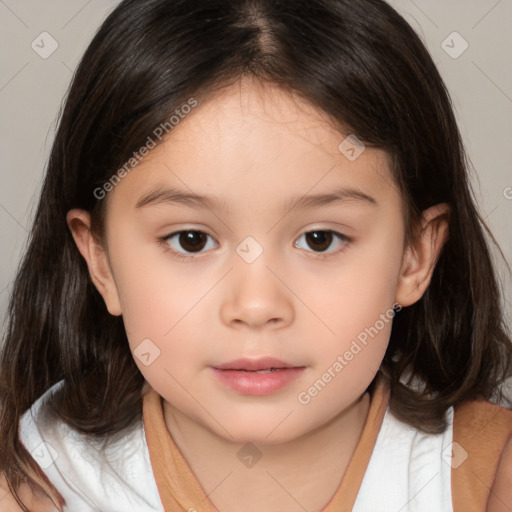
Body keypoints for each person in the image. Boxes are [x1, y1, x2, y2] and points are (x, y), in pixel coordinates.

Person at [1, 0, 511, 510]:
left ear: (414, 256)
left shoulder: (485, 475)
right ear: (102, 263)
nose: (256, 305)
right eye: (191, 240)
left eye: (319, 239)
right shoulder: (33, 483)